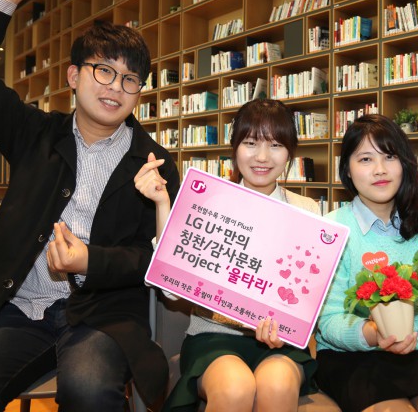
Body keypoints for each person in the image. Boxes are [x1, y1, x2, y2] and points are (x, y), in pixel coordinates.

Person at [0, 0, 180, 412]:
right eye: (104, 71)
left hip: (103, 316)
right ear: (74, 76)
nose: (116, 88)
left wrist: (90, 260)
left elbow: (155, 258)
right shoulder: (34, 133)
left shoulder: (155, 164)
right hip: (19, 307)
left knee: (89, 391)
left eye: (130, 80)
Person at [135, 98, 320, 412]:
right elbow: (171, 289)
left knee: (276, 384)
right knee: (235, 387)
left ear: (290, 152)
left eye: (275, 145)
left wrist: (289, 329)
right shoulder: (209, 203)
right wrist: (163, 205)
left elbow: (307, 299)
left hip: (279, 343)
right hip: (213, 336)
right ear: (234, 148)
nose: (262, 157)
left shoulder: (307, 211)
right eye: (250, 143)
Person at [315, 114, 418, 412]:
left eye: (389, 156)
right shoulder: (332, 229)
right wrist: (373, 334)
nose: (380, 169)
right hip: (354, 357)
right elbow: (328, 322)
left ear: (404, 162)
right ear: (347, 170)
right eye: (365, 159)